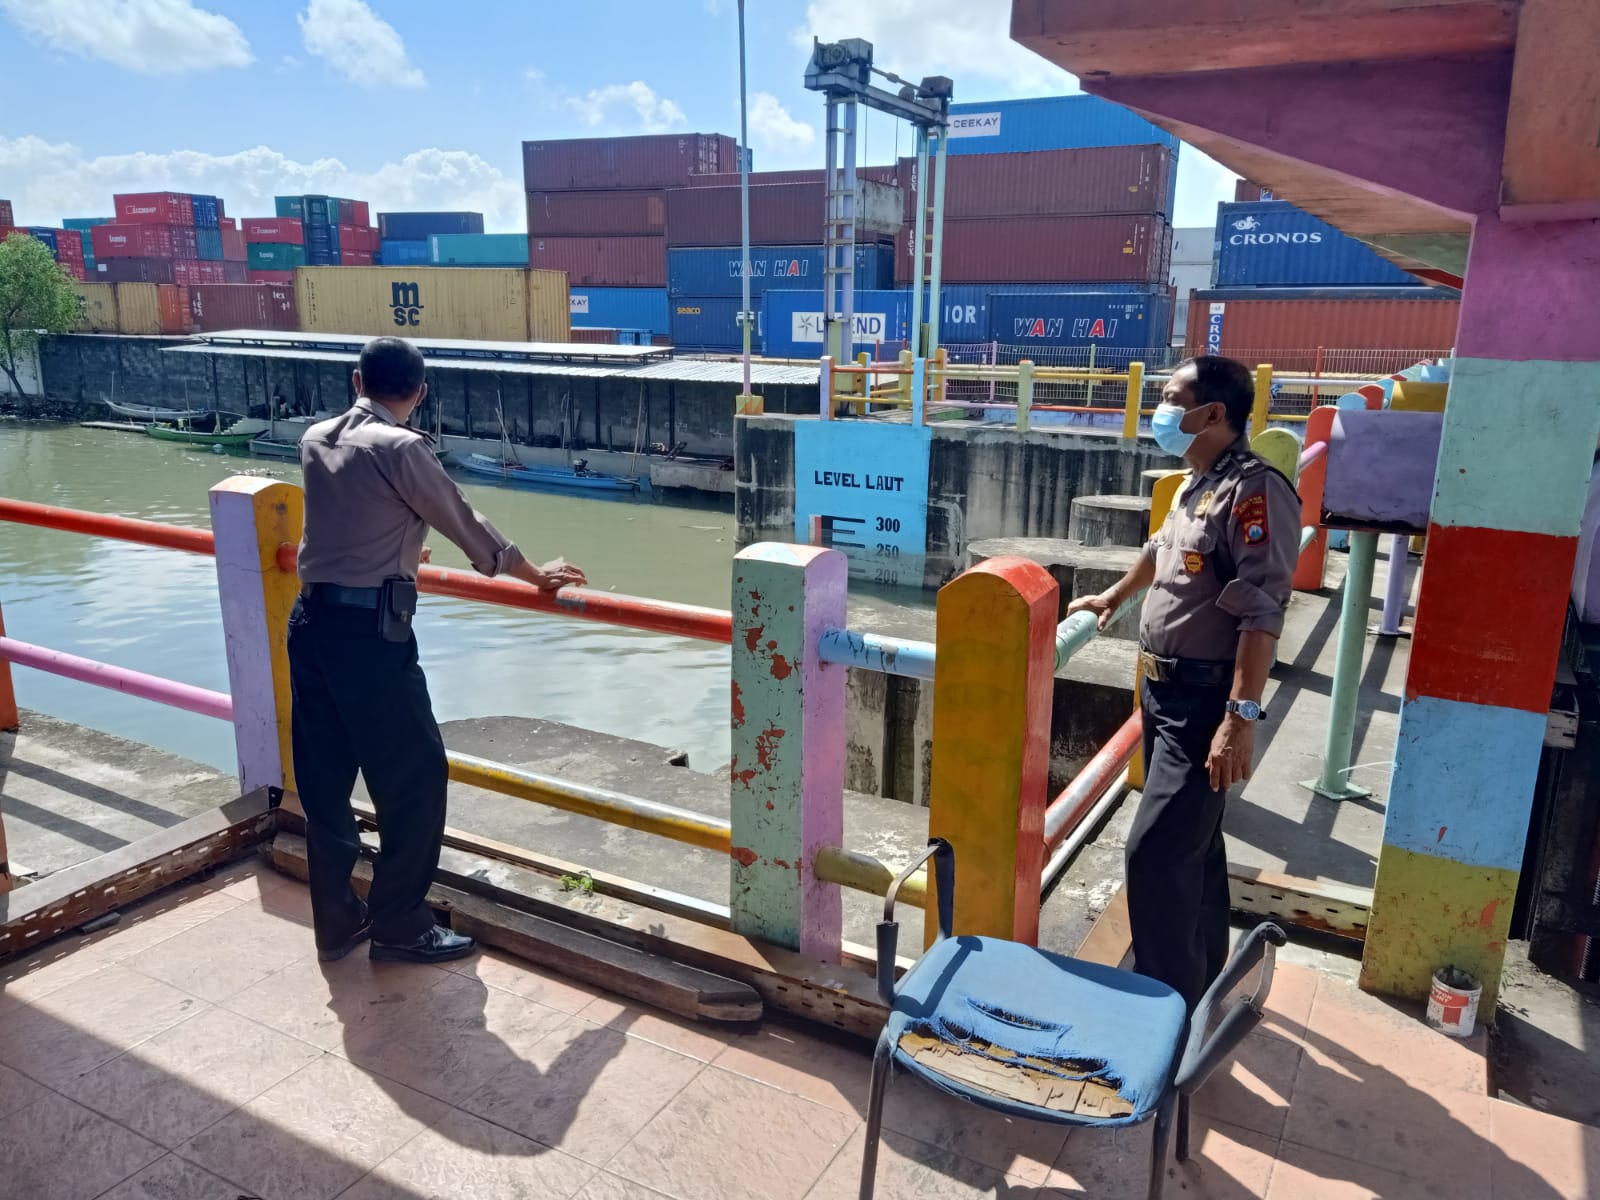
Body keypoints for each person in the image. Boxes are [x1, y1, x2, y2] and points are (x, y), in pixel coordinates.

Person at [290, 337, 586, 965]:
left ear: (356, 382)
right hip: (370, 637)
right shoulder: (403, 448)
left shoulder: (316, 438)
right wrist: (536, 575)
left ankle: (336, 920)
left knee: (324, 779)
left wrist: (400, 547)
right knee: (416, 777)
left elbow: (351, 519)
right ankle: (400, 921)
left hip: (310, 623)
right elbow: (465, 524)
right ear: (420, 393)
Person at [1067, 356, 1299, 1009]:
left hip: (1204, 702)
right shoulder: (1197, 483)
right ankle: (1202, 982)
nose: (1160, 411)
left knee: (1155, 853)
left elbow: (1261, 614)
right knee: (1193, 844)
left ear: (1212, 413)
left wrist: (1238, 719)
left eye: (1171, 399)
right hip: (1163, 692)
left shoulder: (1254, 492)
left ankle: (1160, 1013)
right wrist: (1114, 597)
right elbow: (1160, 551)